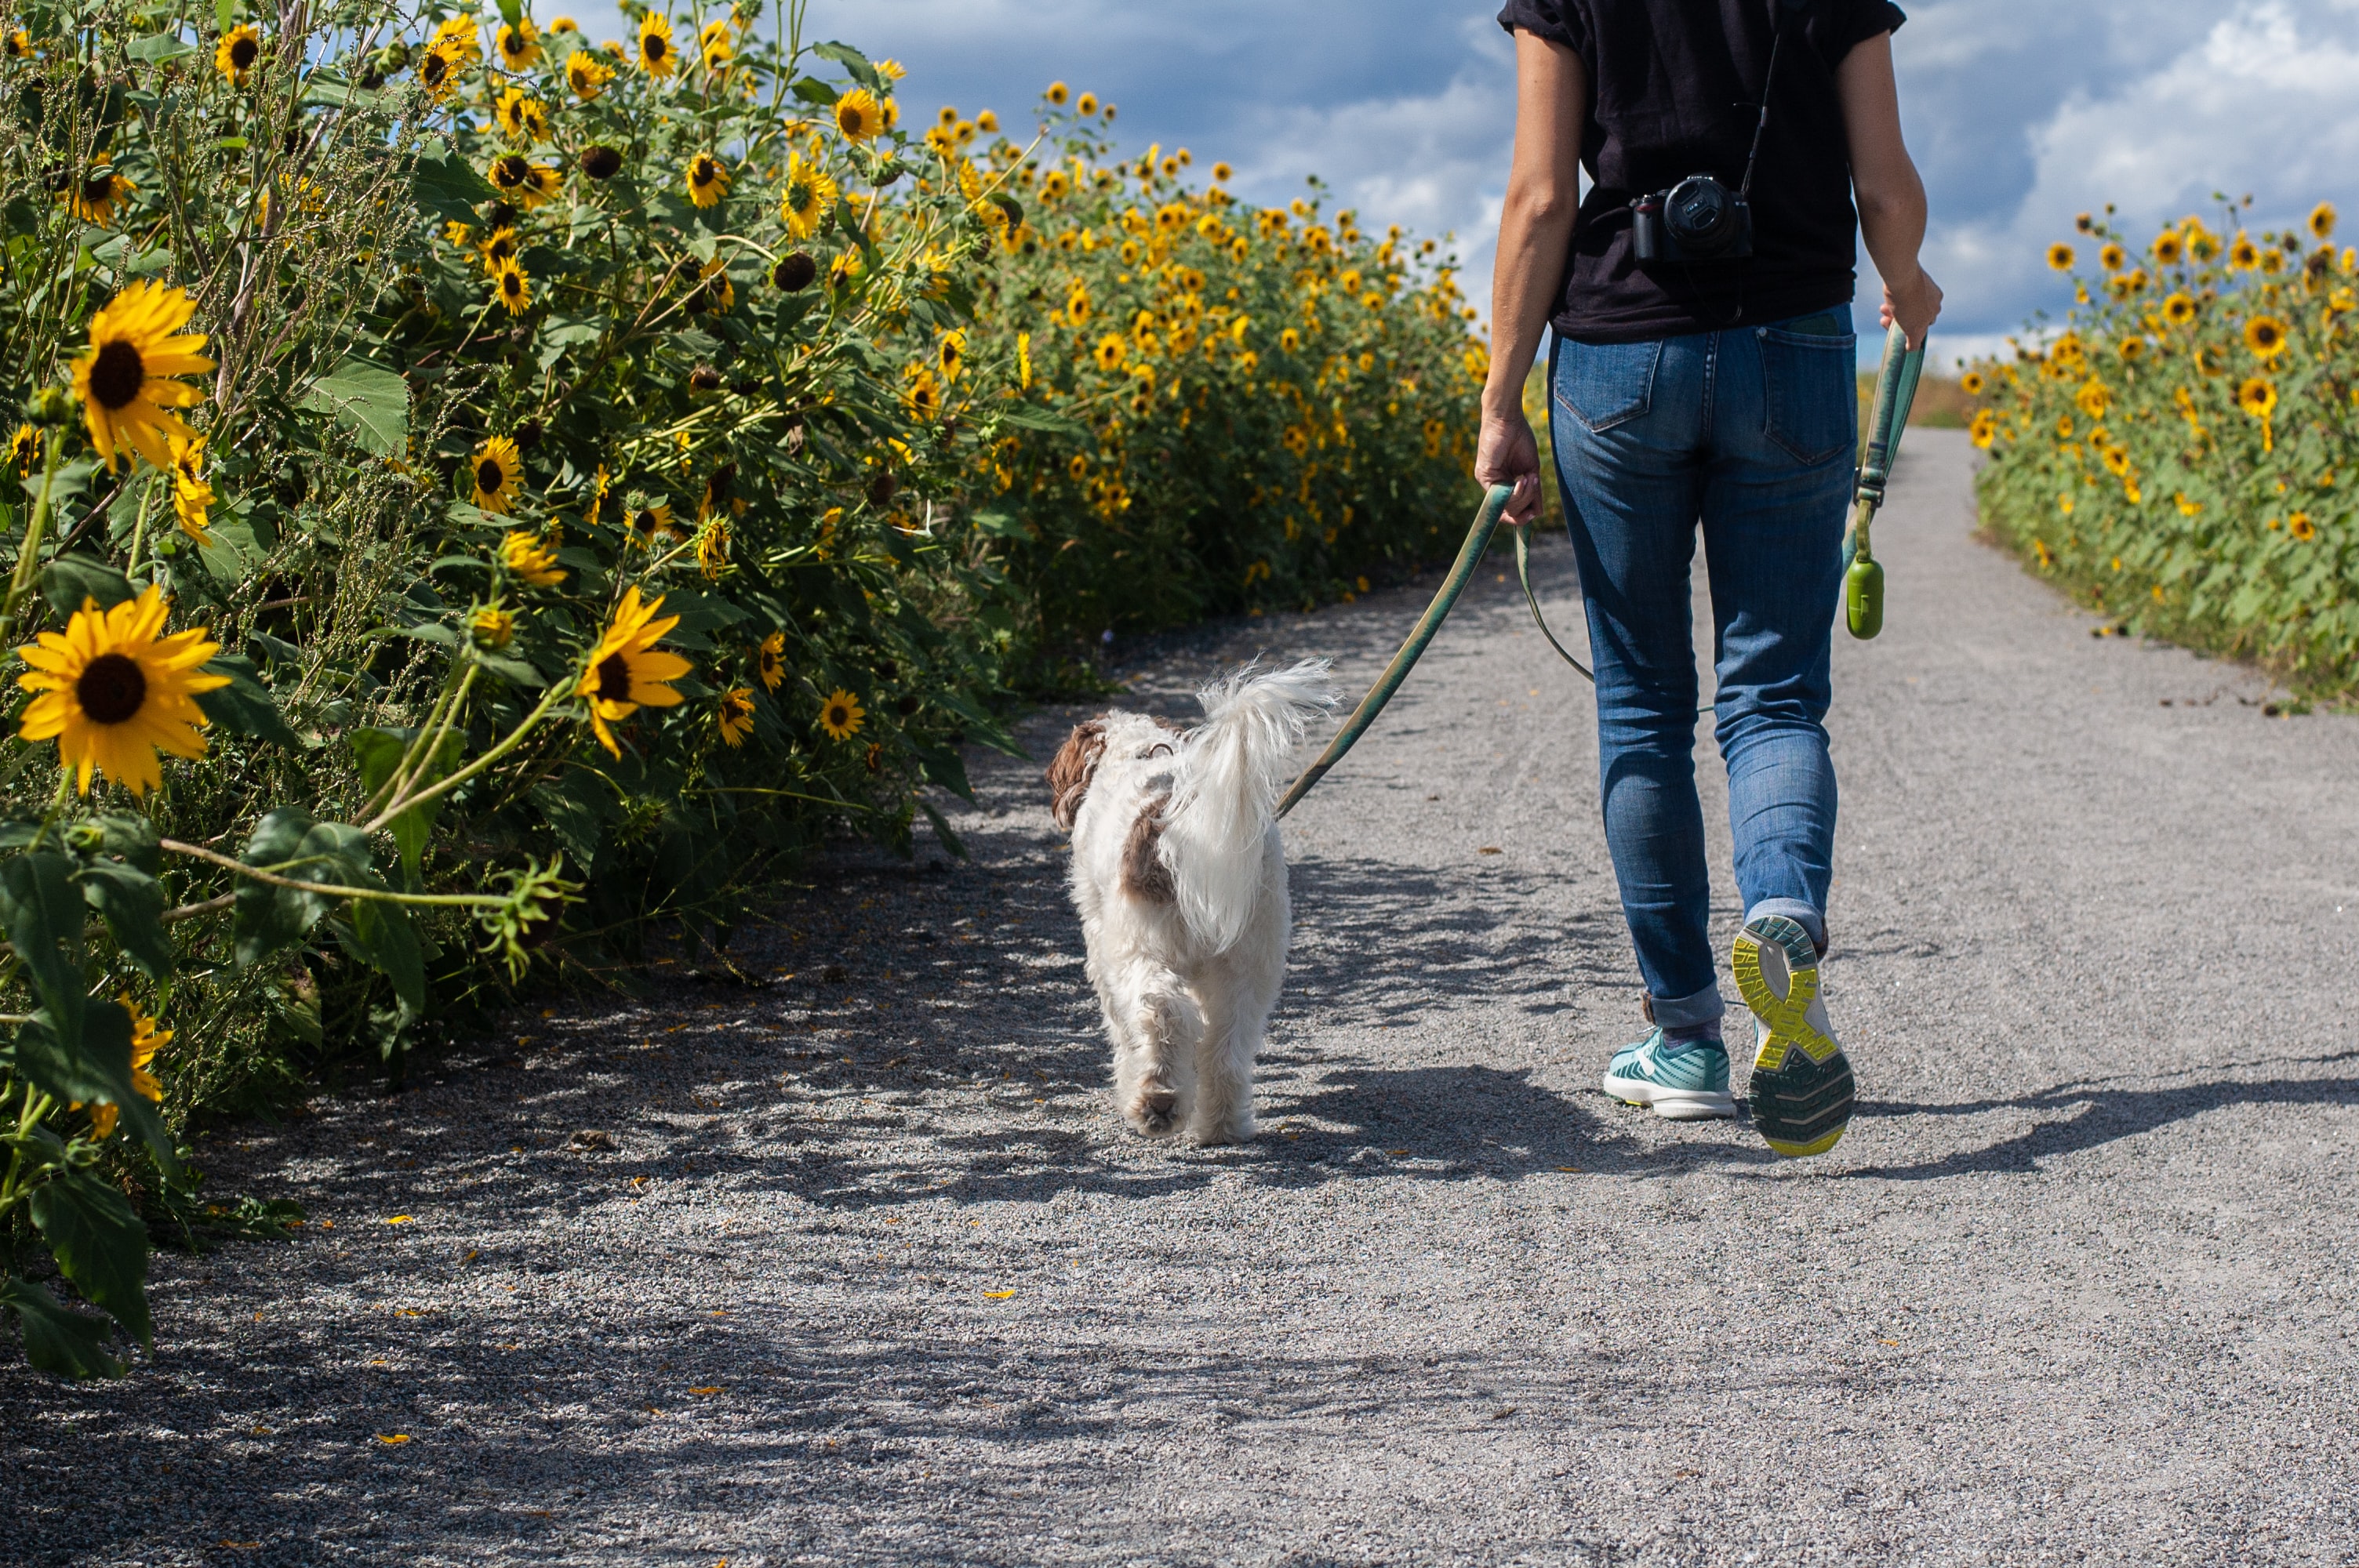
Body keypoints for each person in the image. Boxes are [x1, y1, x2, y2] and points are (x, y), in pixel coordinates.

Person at [1477, 0, 1940, 1157]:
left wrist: (1501, 399)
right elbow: (1883, 182)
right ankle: (1782, 913)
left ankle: (1685, 1041)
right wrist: (1909, 279)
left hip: (1619, 352)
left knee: (1641, 703)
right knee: (1774, 695)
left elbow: (1540, 197)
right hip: (1793, 344)